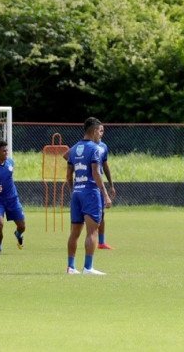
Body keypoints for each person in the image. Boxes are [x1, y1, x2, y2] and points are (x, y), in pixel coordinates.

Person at [66, 117, 113, 275]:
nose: (101, 135)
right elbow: (95, 172)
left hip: (77, 192)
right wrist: (105, 194)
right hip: (90, 192)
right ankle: (88, 267)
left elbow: (68, 175)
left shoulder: (74, 149)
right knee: (92, 231)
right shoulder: (95, 148)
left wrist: (73, 190)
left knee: (74, 232)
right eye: (99, 132)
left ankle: (71, 267)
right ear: (93, 131)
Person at [97, 135, 116, 250]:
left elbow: (105, 165)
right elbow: (68, 156)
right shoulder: (85, 146)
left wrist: (111, 185)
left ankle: (101, 242)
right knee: (84, 216)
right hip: (86, 185)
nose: (101, 133)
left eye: (102, 130)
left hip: (98, 184)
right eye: (99, 130)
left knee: (101, 214)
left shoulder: (103, 146)